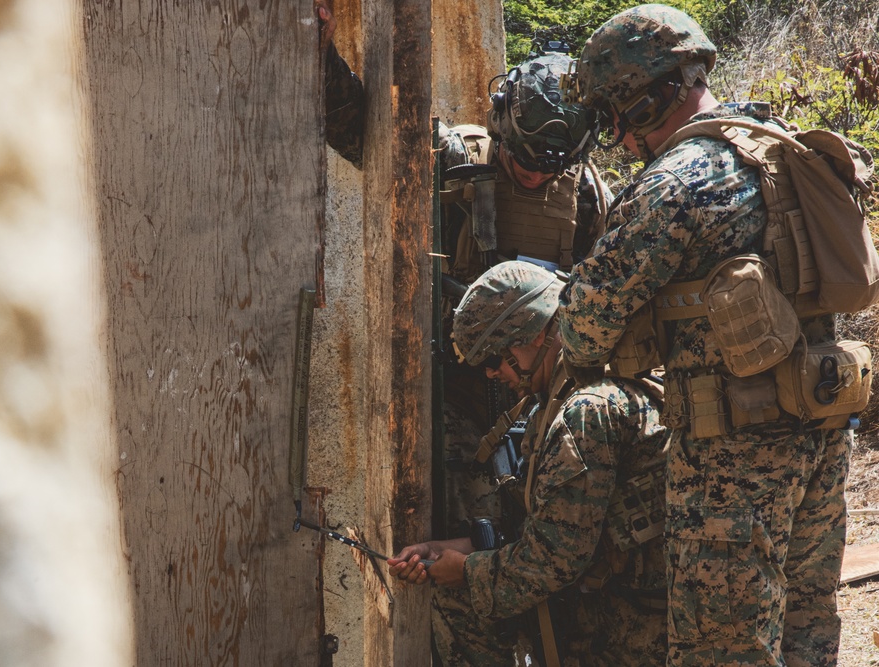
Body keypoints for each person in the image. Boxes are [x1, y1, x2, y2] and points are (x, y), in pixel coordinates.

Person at [558, 5, 859, 665]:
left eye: (617, 117)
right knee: (807, 639)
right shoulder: (782, 143)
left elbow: (582, 329)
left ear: (642, 104)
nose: (619, 137)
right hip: (821, 434)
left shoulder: (676, 181)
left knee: (722, 651)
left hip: (732, 467)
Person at [315, 0, 612, 537]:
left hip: (541, 398)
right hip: (448, 396)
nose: (532, 176)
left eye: (550, 169)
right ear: (502, 124)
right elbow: (360, 129)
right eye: (522, 158)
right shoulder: (454, 160)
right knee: (452, 538)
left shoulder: (587, 199)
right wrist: (321, 53)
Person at [389, 260, 668, 666]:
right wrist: (443, 551)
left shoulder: (585, 412)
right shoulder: (555, 404)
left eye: (495, 358)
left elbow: (552, 560)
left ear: (536, 336)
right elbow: (538, 528)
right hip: (613, 600)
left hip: (637, 622)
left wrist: (466, 572)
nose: (491, 374)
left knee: (460, 599)